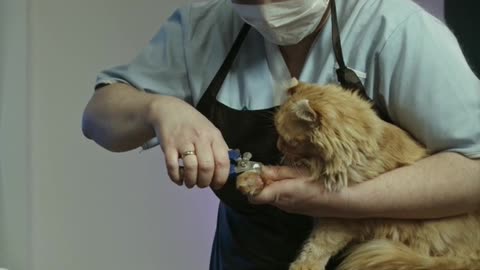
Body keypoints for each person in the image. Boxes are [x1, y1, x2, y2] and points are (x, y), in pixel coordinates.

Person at [82, 0, 480, 269]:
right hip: (245, 256)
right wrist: (160, 109)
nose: (268, 9)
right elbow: (98, 118)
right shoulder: (204, 26)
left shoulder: (390, 27)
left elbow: (473, 169)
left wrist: (334, 200)